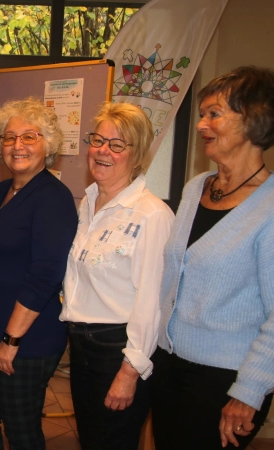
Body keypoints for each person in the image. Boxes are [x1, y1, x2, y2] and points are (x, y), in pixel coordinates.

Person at [152, 66, 274, 450]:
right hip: (170, 365)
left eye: (214, 113)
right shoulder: (195, 188)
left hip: (226, 381)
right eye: (203, 114)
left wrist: (248, 393)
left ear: (255, 119)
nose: (202, 124)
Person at [0, 97, 77, 449]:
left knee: (21, 433)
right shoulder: (1, 192)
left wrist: (11, 341)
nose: (17, 146)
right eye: (10, 138)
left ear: (49, 145)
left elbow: (45, 274)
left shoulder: (53, 198)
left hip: (22, 342)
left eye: (30, 137)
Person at [60, 102, 174, 449]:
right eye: (97, 140)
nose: (102, 151)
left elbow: (152, 302)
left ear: (136, 154)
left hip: (118, 353)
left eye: (116, 144)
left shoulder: (151, 215)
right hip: (81, 348)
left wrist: (130, 371)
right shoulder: (89, 201)